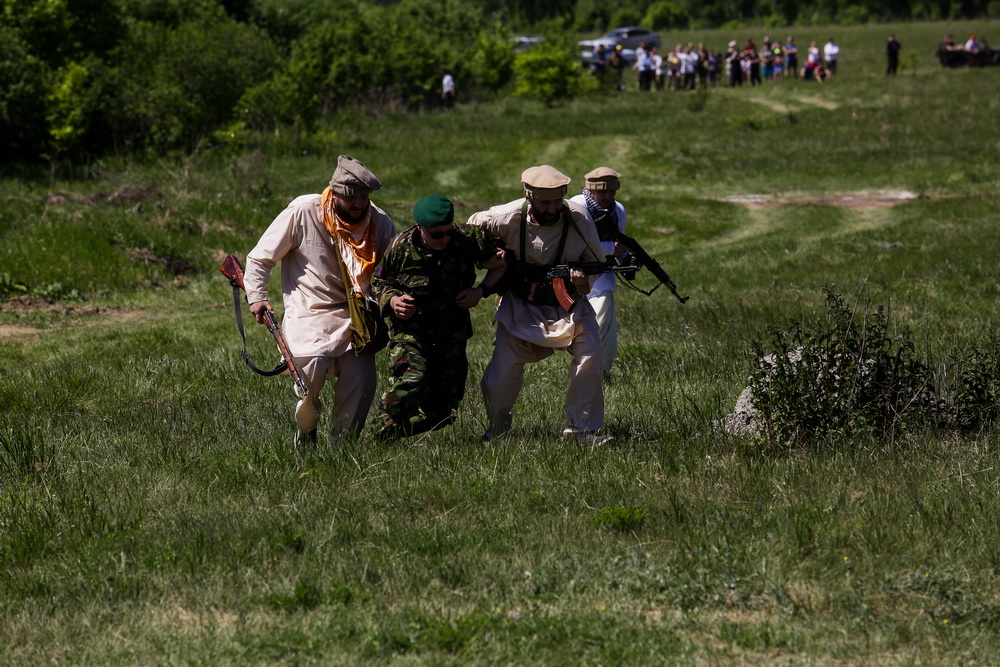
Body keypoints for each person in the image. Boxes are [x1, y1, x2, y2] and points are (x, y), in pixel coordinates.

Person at [244, 155, 396, 446]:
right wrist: (257, 297)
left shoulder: (378, 221)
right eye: (351, 198)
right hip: (309, 312)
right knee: (308, 377)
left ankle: (343, 446)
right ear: (335, 192)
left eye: (364, 197)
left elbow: (395, 265)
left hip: (358, 317)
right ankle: (307, 432)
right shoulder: (304, 211)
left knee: (362, 381)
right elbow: (260, 258)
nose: (358, 204)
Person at [466, 165, 608, 442]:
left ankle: (584, 430)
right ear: (529, 197)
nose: (553, 208)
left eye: (558, 201)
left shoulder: (579, 220)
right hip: (519, 306)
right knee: (501, 375)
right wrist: (486, 259)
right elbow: (469, 232)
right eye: (546, 202)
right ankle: (497, 430)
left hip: (568, 306)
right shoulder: (504, 217)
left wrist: (580, 281)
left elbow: (596, 264)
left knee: (591, 355)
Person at [372, 196, 507, 440]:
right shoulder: (400, 247)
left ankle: (392, 435)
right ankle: (376, 435)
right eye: (437, 235)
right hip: (411, 329)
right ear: (420, 229)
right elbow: (379, 281)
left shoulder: (467, 239)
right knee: (412, 381)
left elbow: (502, 262)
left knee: (445, 412)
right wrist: (393, 301)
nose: (444, 239)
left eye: (448, 232)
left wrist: (481, 291)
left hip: (451, 331)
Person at [569, 168, 628, 381]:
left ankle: (598, 370)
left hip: (601, 275)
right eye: (603, 192)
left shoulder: (617, 210)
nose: (608, 197)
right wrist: (612, 249)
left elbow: (620, 241)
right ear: (590, 190)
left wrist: (628, 258)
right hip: (573, 272)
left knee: (603, 322)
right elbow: (578, 246)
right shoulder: (577, 208)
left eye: (612, 192)